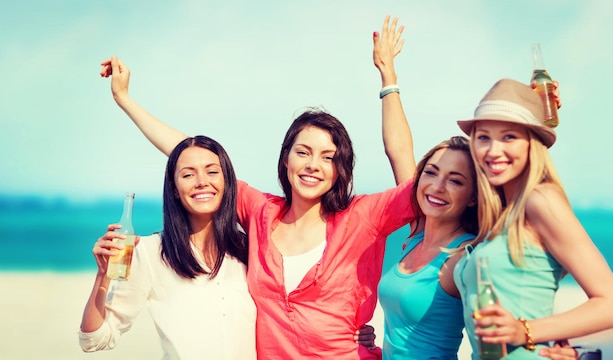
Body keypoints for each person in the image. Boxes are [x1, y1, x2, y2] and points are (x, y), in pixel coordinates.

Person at [99, 57, 416, 359]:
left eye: (328, 157)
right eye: (303, 152)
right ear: (287, 158)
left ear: (341, 167)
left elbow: (414, 183)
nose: (313, 165)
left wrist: (389, 82)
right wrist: (125, 99)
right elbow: (192, 155)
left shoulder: (362, 217)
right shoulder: (261, 212)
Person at [373, 15, 581, 360]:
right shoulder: (416, 232)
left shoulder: (466, 255)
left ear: (473, 197)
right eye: (432, 172)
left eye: (456, 180)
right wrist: (387, 75)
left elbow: (534, 280)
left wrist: (531, 121)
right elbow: (398, 149)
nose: (437, 186)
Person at [454, 77, 613, 359]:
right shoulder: (501, 214)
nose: (493, 150)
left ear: (531, 143)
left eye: (509, 136)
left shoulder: (540, 199)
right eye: (484, 137)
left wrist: (527, 330)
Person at [78, 136, 256, 359]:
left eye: (212, 171)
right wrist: (103, 276)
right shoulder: (150, 253)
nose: (201, 181)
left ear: (227, 182)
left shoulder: (246, 248)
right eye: (188, 174)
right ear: (173, 188)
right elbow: (94, 339)